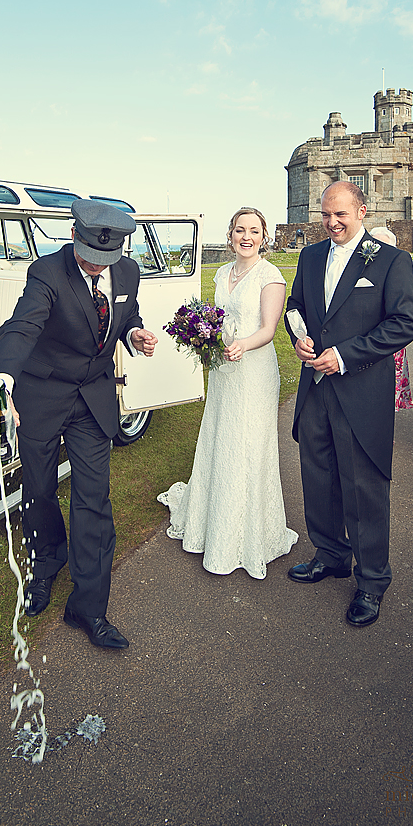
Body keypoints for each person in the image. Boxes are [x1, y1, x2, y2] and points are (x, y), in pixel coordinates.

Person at [0, 199, 157, 649]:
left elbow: (125, 314)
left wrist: (133, 332)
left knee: (93, 499)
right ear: (74, 236)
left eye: (105, 261)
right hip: (42, 396)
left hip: (92, 401)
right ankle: (45, 564)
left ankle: (89, 607)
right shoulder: (47, 272)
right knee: (37, 490)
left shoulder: (129, 272)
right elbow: (20, 329)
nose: (95, 267)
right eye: (87, 258)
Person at [284, 182, 413, 628]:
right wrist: (299, 336)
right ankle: (331, 555)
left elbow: (405, 323)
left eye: (341, 214)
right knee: (318, 477)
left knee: (364, 488)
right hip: (315, 389)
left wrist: (344, 355)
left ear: (362, 210)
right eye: (326, 214)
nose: (332, 222)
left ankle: (372, 581)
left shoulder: (390, 261)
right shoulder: (309, 257)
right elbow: (295, 307)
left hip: (361, 392)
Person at [158, 207, 298, 578]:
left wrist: (242, 346)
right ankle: (211, 523)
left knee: (248, 446)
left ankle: (249, 535)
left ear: (264, 236)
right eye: (240, 230)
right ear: (230, 234)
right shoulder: (222, 272)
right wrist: (203, 337)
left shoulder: (271, 276)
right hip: (223, 371)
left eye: (254, 230)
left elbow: (269, 330)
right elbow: (218, 319)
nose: (246, 236)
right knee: (221, 439)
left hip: (253, 370)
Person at [369, 227, 413, 412]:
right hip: (365, 338)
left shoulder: (398, 270)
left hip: (390, 341)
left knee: (389, 391)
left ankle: (384, 436)